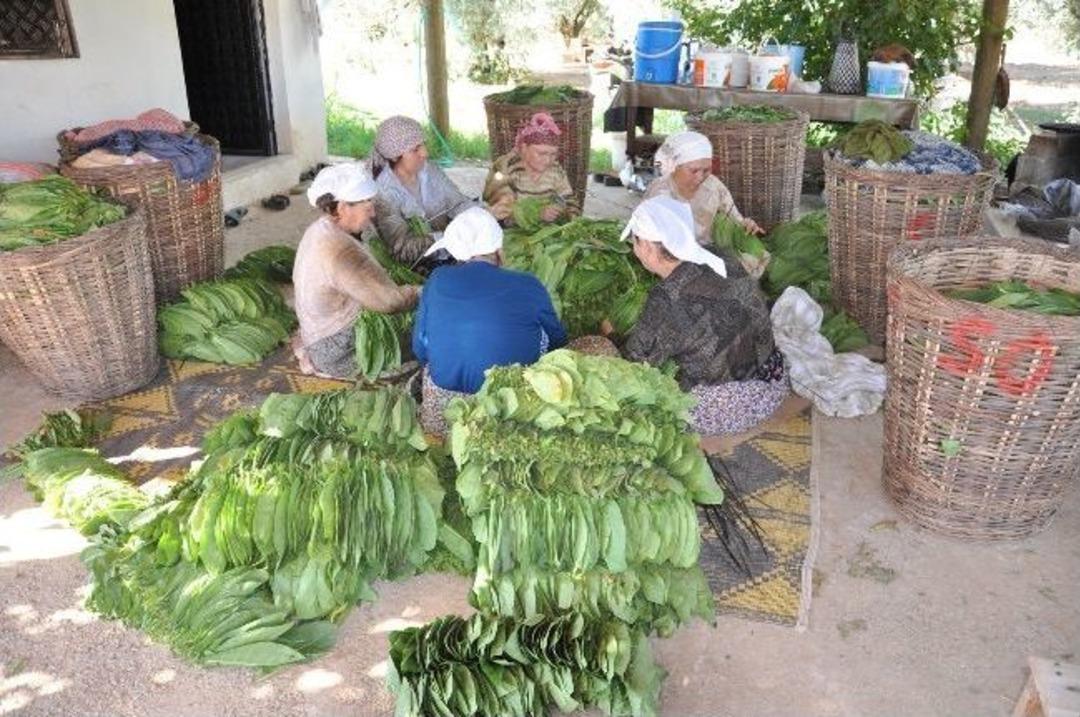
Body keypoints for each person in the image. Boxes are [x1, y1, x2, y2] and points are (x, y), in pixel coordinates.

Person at [620, 195, 788, 435]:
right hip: (774, 382)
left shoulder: (666, 298)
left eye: (634, 242)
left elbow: (636, 365)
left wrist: (611, 335)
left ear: (646, 245)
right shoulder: (722, 256)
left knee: (639, 400)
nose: (635, 250)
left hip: (727, 409)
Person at [412, 207, 568, 434]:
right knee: (539, 334)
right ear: (499, 251)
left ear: (458, 254)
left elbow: (420, 348)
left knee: (434, 353)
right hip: (510, 404)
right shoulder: (528, 284)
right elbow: (558, 343)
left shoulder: (436, 280)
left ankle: (439, 429)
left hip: (447, 404)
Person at [292, 163, 419, 378]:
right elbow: (390, 302)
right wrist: (419, 291)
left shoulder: (319, 229)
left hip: (318, 338)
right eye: (366, 204)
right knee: (427, 328)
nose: (372, 211)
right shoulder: (340, 251)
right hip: (337, 350)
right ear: (342, 208)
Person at [371, 115, 474, 264]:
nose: (425, 153)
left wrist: (482, 213)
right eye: (415, 149)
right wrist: (450, 236)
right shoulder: (384, 193)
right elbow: (401, 249)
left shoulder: (429, 171)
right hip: (418, 265)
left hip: (453, 250)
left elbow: (457, 203)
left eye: (423, 144)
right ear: (394, 157)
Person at [643, 130, 763, 245]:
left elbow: (735, 219)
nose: (701, 177)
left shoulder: (714, 186)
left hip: (711, 252)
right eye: (693, 171)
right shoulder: (659, 193)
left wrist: (746, 225)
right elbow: (652, 243)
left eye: (706, 170)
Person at [483, 112, 581, 226]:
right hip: (509, 230)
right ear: (524, 148)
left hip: (542, 229)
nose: (548, 160)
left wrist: (565, 214)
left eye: (553, 154)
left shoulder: (556, 171)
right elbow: (500, 209)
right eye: (541, 153)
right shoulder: (504, 167)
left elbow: (570, 202)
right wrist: (536, 214)